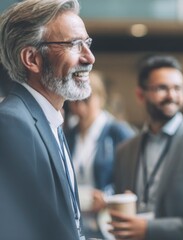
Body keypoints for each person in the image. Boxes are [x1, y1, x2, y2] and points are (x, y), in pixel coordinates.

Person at [0, 0, 95, 239]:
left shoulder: (46, 118)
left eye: (87, 43)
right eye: (75, 45)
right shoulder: (12, 124)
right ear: (32, 58)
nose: (90, 57)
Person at [110, 55, 183, 240]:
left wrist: (150, 229)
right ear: (140, 94)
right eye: (162, 88)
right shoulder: (125, 150)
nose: (171, 96)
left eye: (178, 88)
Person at [66, 70, 135, 238]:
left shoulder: (118, 132)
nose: (79, 107)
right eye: (74, 101)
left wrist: (107, 197)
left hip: (107, 219)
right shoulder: (69, 134)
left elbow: (132, 179)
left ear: (100, 98)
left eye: (86, 100)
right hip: (78, 217)